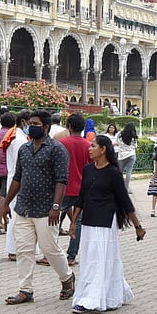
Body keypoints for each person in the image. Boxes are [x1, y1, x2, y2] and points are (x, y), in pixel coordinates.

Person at [1, 110, 75, 305]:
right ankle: (25, 290)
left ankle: (67, 278)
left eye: (35, 123)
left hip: (46, 209)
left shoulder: (57, 149)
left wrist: (56, 206)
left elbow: (61, 180)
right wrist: (5, 203)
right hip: (23, 207)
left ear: (46, 127)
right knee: (24, 249)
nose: (30, 126)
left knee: (49, 249)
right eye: (30, 123)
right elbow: (17, 178)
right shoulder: (24, 149)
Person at [69, 135, 145, 313]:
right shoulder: (88, 169)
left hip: (105, 221)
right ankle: (111, 292)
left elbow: (125, 201)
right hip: (88, 220)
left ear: (103, 149)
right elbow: (81, 197)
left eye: (93, 146)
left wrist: (138, 226)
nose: (89, 148)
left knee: (100, 259)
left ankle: (92, 298)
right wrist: (74, 221)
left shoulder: (113, 172)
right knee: (90, 259)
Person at [59, 113, 93, 266]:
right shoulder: (89, 146)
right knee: (78, 223)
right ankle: (71, 256)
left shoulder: (61, 144)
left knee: (53, 222)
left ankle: (51, 254)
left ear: (69, 127)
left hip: (63, 189)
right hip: (82, 190)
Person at [3, 110, 31, 261]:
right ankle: (13, 249)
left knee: (16, 215)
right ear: (23, 122)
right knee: (16, 215)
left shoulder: (16, 136)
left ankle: (15, 248)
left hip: (14, 177)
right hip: (17, 179)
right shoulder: (20, 140)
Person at [115, 122, 138, 189]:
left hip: (122, 156)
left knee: (120, 172)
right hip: (132, 155)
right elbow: (135, 146)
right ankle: (126, 188)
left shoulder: (120, 134)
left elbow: (117, 142)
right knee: (129, 172)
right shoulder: (134, 135)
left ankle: (119, 187)